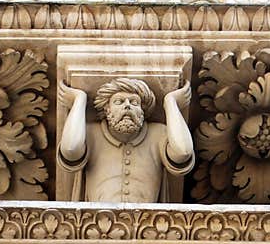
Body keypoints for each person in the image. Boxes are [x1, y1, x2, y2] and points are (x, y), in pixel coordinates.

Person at [57, 77, 194, 202]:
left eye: (134, 102)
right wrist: (79, 101)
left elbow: (183, 152)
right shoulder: (91, 133)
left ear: (142, 112)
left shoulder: (157, 133)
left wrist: (170, 103)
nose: (127, 106)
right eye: (119, 102)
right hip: (98, 222)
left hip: (147, 223)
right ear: (107, 110)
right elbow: (70, 149)